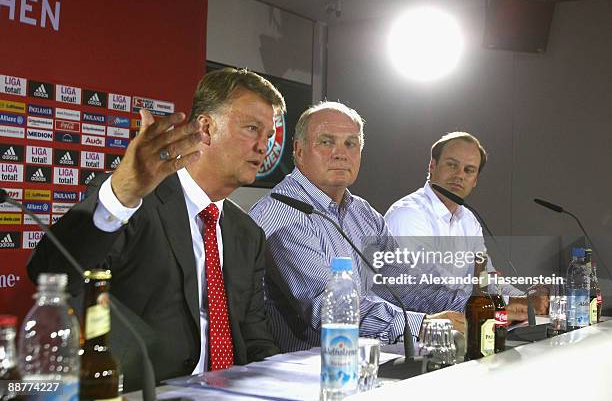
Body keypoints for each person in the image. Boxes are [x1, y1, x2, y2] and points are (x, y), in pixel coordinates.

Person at [28, 68, 285, 391]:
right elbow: (53, 273)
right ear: (205, 128)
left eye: (269, 136)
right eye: (252, 129)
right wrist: (120, 196)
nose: (263, 146)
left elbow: (255, 337)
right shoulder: (135, 201)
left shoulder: (247, 233)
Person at [249, 102, 465, 353]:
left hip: (363, 365)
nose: (340, 154)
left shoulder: (362, 213)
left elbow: (405, 285)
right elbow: (330, 308)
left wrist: (480, 305)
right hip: (304, 377)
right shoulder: (284, 213)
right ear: (298, 151)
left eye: (350, 144)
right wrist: (422, 325)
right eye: (327, 142)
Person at [384, 131, 548, 321]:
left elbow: (485, 278)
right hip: (413, 337)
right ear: (432, 166)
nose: (459, 175)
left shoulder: (468, 219)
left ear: (475, 180)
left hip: (462, 327)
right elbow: (423, 293)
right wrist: (504, 303)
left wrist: (522, 299)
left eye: (469, 170)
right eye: (452, 165)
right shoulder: (408, 215)